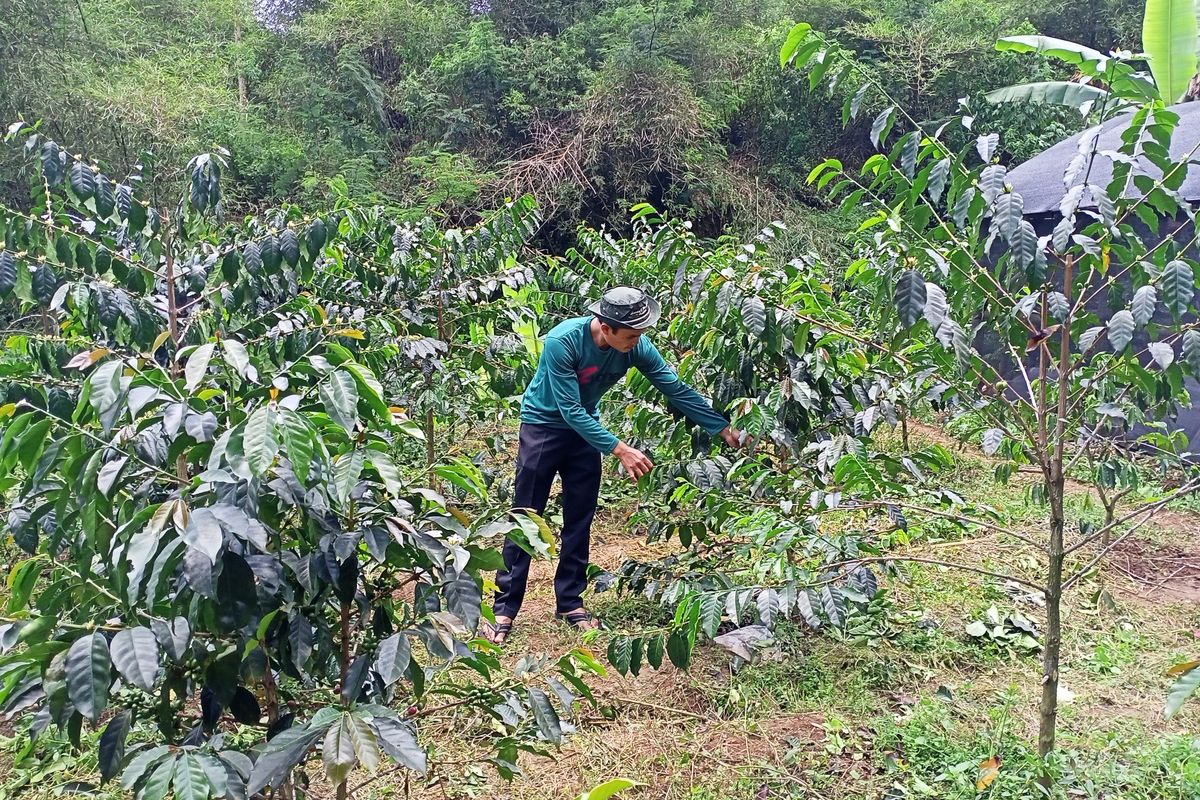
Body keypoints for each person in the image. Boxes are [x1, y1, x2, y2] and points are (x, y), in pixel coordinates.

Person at [483, 286, 744, 645]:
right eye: (631, 335)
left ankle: (570, 603)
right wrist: (620, 449)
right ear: (605, 327)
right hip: (543, 426)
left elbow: (674, 388)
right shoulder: (564, 342)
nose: (637, 342)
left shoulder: (635, 346)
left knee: (580, 516)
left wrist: (721, 426)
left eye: (640, 334)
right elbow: (568, 409)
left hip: (585, 433)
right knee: (526, 515)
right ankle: (504, 608)